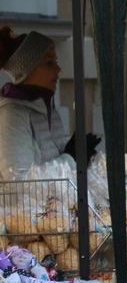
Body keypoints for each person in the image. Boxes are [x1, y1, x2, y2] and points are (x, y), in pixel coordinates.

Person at [0, 29, 96, 177]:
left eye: (55, 62)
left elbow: (56, 169)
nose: (58, 69)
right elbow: (19, 182)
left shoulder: (49, 110)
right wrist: (71, 158)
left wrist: (82, 160)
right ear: (26, 71)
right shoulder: (12, 116)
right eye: (49, 63)